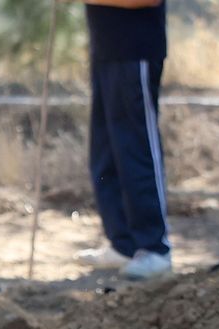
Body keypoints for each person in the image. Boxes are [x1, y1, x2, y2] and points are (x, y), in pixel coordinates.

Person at [71, 0, 172, 281]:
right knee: (105, 153)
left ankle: (155, 248)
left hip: (135, 50)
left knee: (137, 150)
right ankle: (124, 244)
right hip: (106, 50)